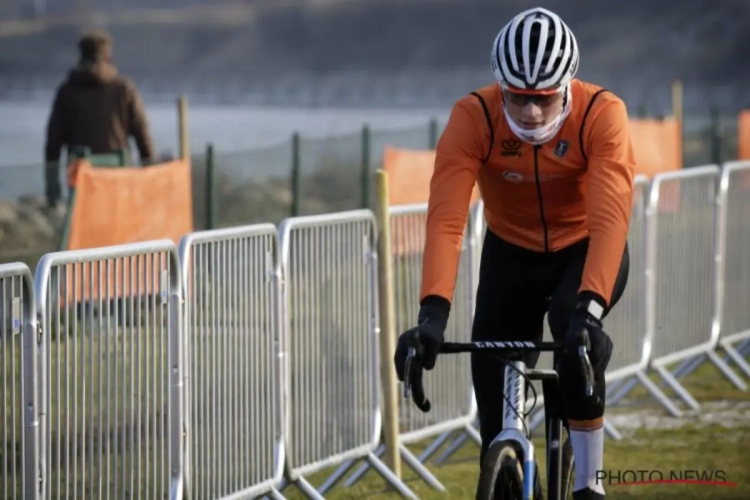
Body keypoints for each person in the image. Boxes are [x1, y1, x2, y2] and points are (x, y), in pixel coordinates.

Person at [393, 6, 635, 500]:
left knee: (576, 344)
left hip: (583, 251)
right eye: (518, 97)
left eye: (543, 99)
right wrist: (431, 314)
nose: (529, 112)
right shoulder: (474, 117)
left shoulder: (601, 113)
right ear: (500, 85)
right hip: (510, 257)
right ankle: (514, 464)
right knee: (495, 415)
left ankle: (591, 482)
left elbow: (611, 217)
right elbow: (445, 220)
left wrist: (590, 311)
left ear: (566, 87)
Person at [44, 30, 155, 207]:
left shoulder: (67, 91)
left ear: (81, 54)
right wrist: (150, 172)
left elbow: (53, 139)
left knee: (85, 224)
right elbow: (142, 132)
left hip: (81, 175)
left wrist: (52, 185)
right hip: (118, 173)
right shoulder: (123, 89)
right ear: (106, 54)